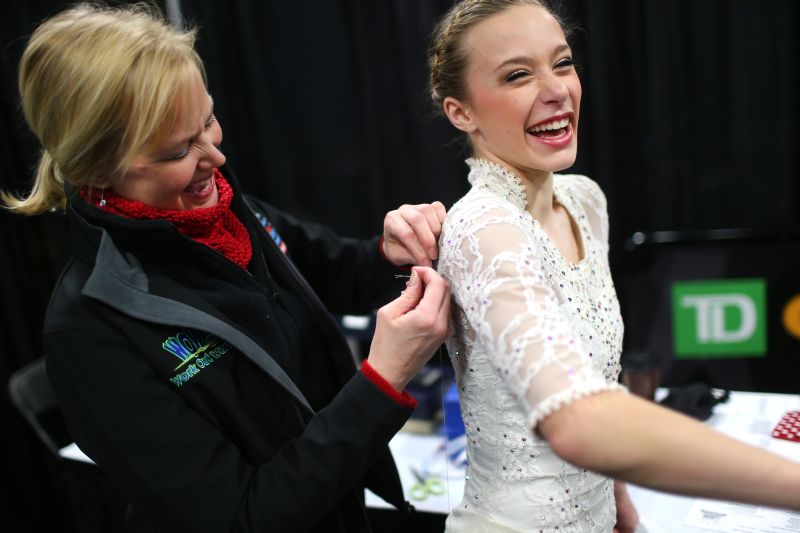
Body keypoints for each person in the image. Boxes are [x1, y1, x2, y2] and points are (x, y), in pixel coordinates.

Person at [2, 3, 452, 532]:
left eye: (209, 119)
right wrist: (382, 382)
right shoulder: (91, 330)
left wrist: (389, 251)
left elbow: (334, 272)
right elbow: (243, 518)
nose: (214, 156)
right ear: (96, 167)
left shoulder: (223, 208)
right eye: (177, 151)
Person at [429, 1, 800, 531]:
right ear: (461, 112)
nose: (557, 89)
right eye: (517, 75)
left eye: (563, 63)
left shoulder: (585, 202)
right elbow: (578, 423)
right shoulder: (485, 230)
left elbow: (595, 380)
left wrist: (618, 504)